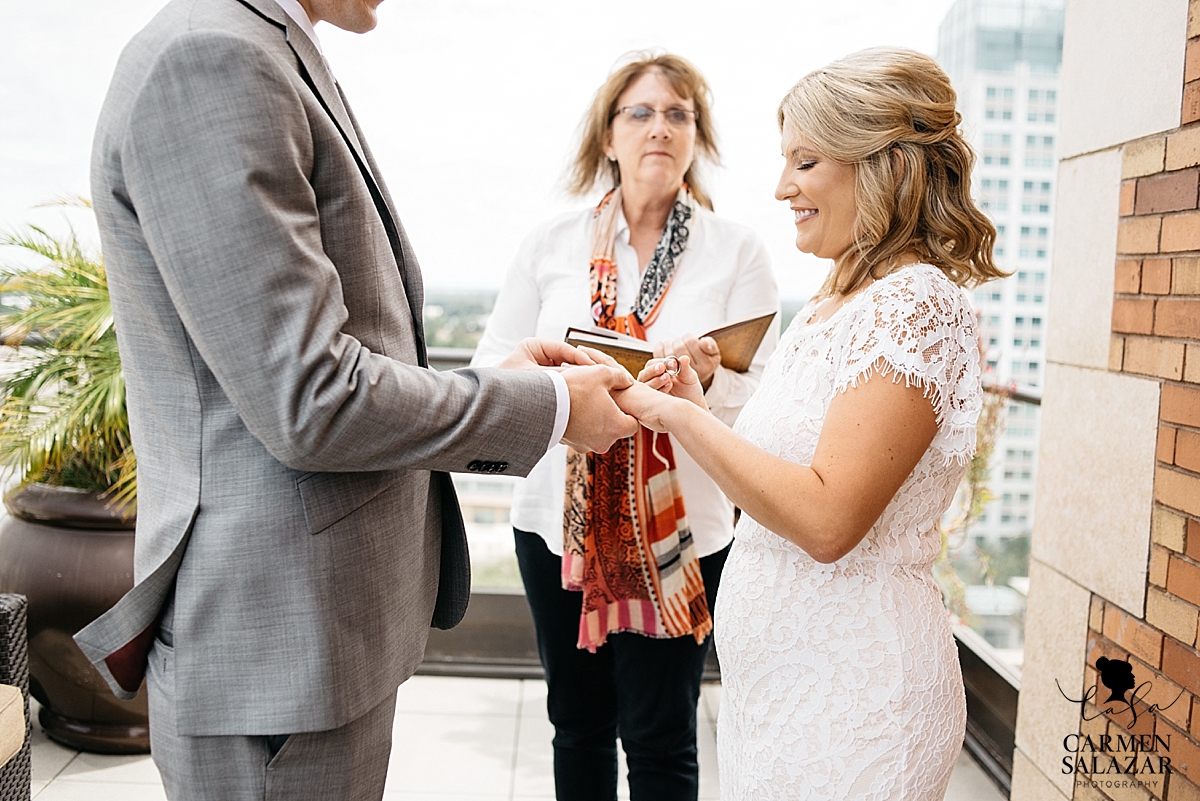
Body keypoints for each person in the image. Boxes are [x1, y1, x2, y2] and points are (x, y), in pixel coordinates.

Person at [75, 0, 638, 799]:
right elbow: (309, 397)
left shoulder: (255, 48)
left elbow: (333, 352)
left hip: (313, 638)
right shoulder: (210, 60)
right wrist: (548, 407)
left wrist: (510, 378)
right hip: (276, 649)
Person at [616, 47, 1006, 800]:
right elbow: (778, 471)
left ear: (879, 166)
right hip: (783, 706)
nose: (781, 186)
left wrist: (678, 423)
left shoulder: (915, 305)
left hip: (856, 709)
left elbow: (829, 518)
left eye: (805, 161)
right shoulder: (836, 300)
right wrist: (696, 404)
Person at [472, 52, 779, 801]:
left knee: (661, 734)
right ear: (607, 137)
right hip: (556, 525)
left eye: (678, 114)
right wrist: (562, 380)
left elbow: (763, 402)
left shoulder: (737, 251)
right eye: (640, 112)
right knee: (576, 724)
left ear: (695, 137)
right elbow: (491, 370)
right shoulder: (551, 244)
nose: (659, 128)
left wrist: (705, 376)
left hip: (681, 531)